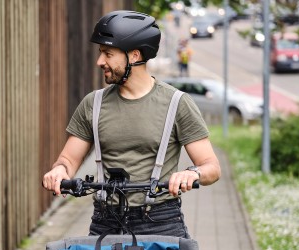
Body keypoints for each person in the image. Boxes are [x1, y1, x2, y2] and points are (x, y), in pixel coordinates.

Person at [42, 10, 221, 238]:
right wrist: (59, 171)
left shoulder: (177, 104)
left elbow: (211, 168)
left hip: (161, 222)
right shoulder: (93, 104)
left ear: (134, 56)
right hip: (105, 222)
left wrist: (192, 174)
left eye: (108, 54)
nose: (99, 61)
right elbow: (68, 160)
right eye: (100, 53)